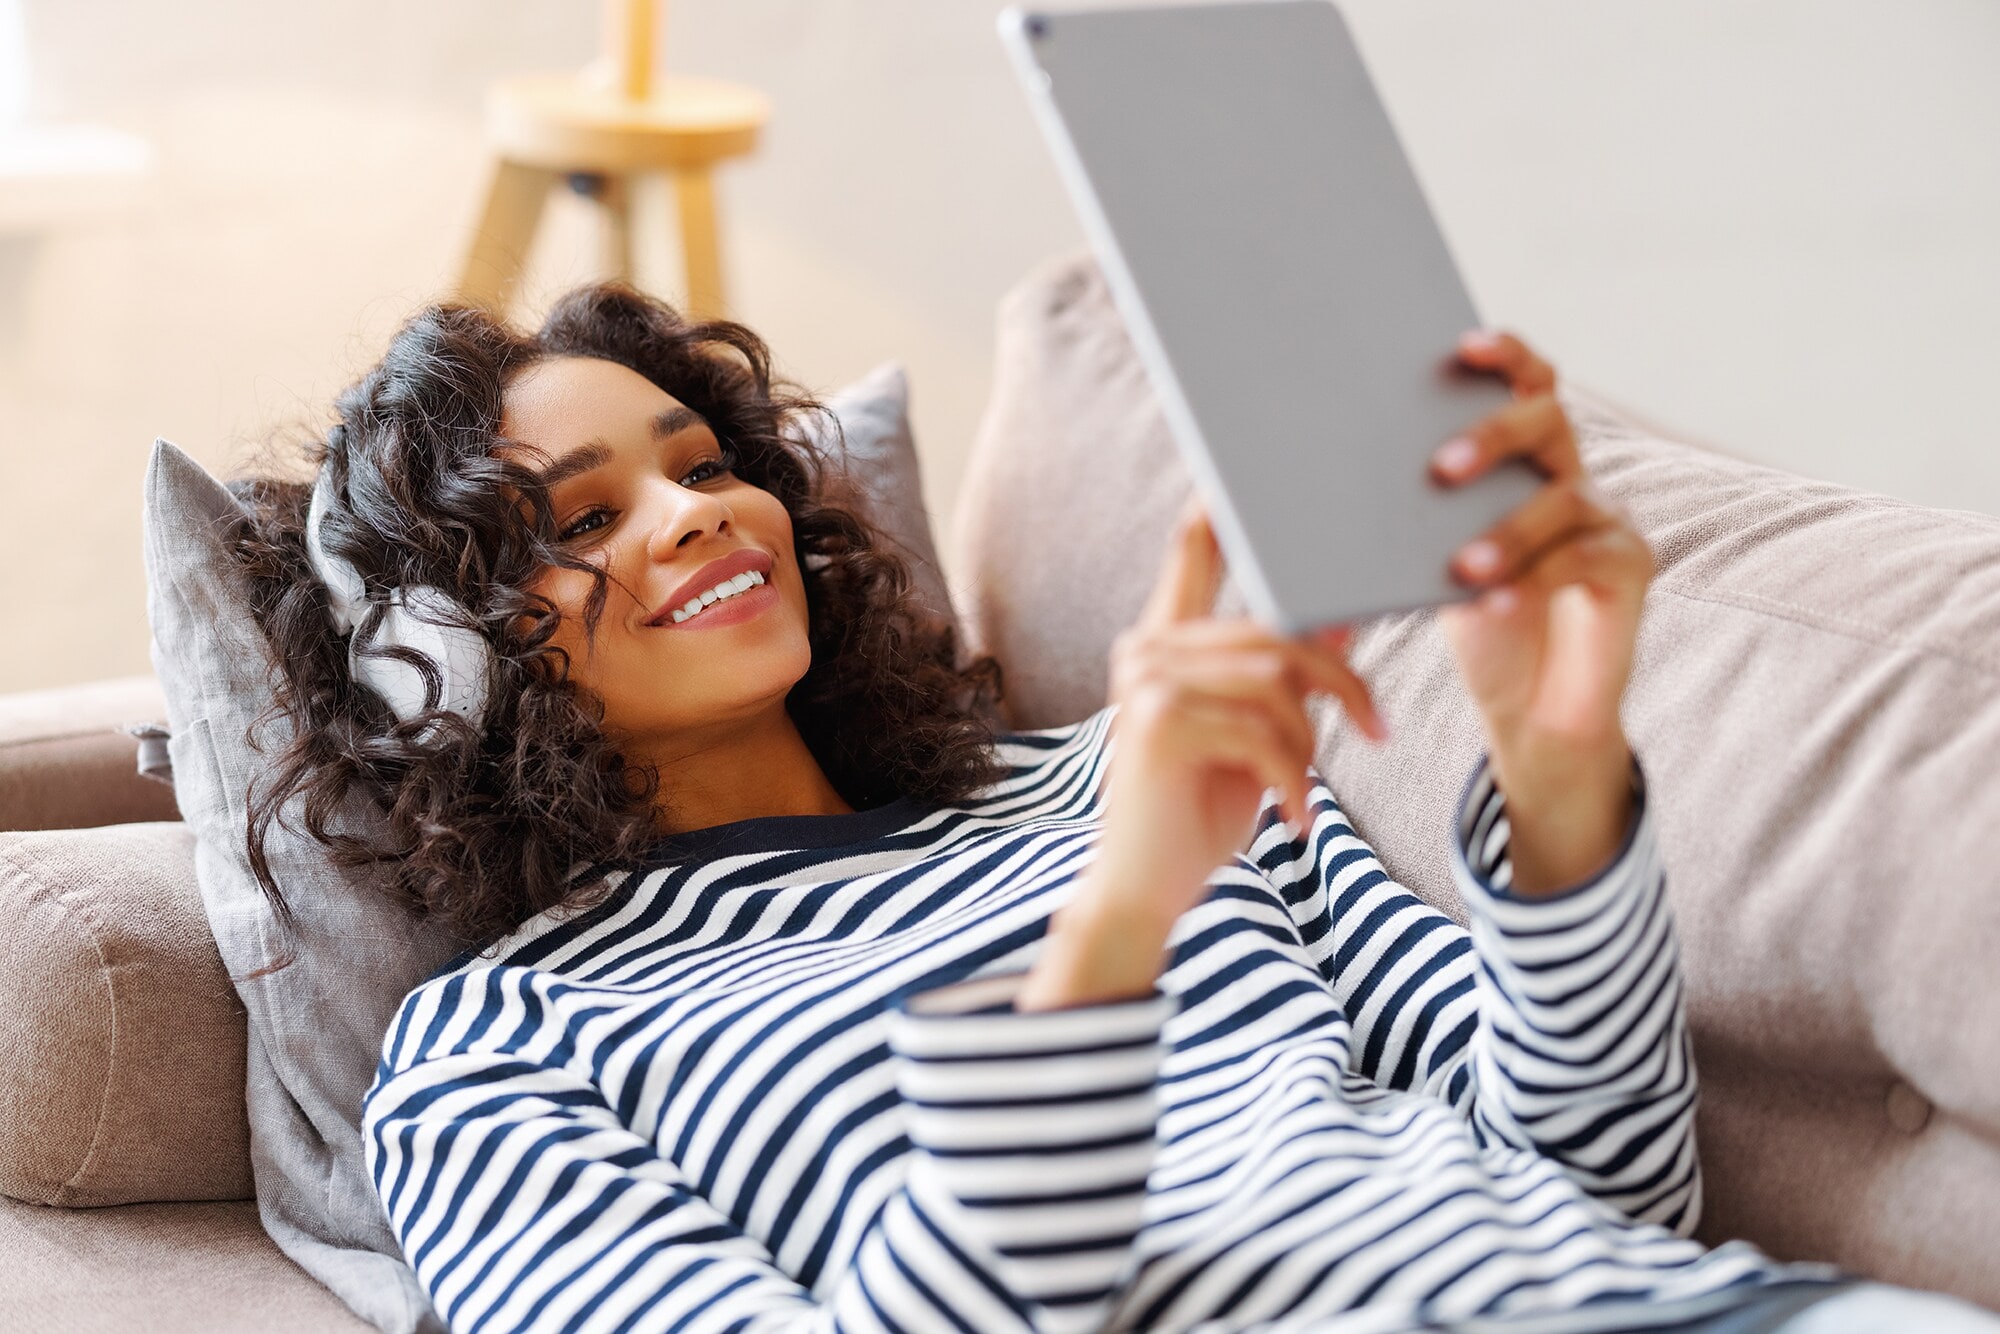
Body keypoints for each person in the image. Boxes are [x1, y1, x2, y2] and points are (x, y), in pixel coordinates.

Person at [237, 284, 1996, 1333]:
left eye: (702, 470)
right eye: (577, 524)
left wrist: (1554, 777)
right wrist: (1119, 926)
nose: (691, 519)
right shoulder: (497, 1056)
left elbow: (1608, 1175)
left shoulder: (1105, 783)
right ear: (433, 672)